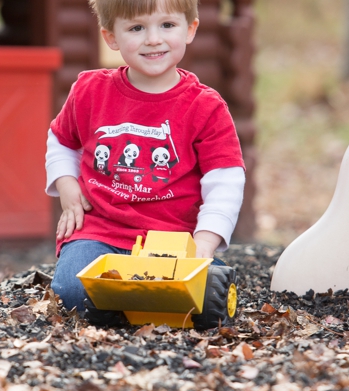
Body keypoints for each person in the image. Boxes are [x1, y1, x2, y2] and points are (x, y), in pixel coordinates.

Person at [45, 0, 245, 325]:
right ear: (111, 37)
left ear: (190, 29)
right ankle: (142, 304)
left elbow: (225, 179)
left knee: (205, 293)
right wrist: (67, 186)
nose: (153, 39)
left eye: (167, 25)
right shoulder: (90, 91)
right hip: (100, 231)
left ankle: (136, 301)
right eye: (137, 28)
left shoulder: (205, 107)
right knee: (70, 290)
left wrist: (205, 241)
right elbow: (62, 140)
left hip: (172, 239)